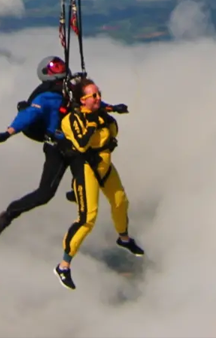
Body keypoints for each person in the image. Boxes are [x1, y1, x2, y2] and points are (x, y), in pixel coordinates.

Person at [52, 77, 143, 290]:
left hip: (105, 164)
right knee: (87, 218)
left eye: (98, 94)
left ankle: (124, 237)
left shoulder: (101, 114)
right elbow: (82, 144)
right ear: (82, 100)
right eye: (93, 96)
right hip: (86, 169)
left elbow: (112, 131)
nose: (98, 98)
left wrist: (106, 114)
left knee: (120, 200)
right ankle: (64, 265)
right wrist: (93, 123)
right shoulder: (72, 120)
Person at [0, 55, 73, 240]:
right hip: (57, 148)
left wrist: (112, 108)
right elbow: (29, 115)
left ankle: (79, 190)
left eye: (60, 66)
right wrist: (8, 132)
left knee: (97, 165)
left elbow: (91, 101)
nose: (60, 70)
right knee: (44, 194)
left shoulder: (70, 90)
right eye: (55, 68)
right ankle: (10, 214)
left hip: (76, 145)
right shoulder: (47, 97)